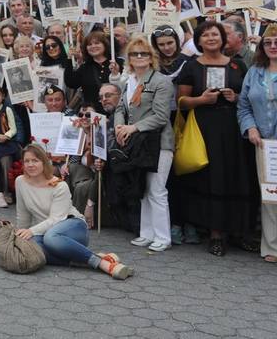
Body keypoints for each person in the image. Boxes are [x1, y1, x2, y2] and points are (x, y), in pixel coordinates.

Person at [174, 21, 256, 256]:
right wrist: (201, 100)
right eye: (206, 35)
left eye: (216, 34)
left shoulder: (238, 65)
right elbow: (181, 102)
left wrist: (236, 96)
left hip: (234, 128)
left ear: (223, 39)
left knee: (238, 175)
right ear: (198, 41)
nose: (211, 38)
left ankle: (240, 232)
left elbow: (249, 98)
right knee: (213, 177)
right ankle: (216, 234)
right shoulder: (191, 66)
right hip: (205, 128)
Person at [14, 143, 133, 278]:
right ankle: (85, 259)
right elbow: (22, 214)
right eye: (27, 161)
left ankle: (102, 264)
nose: (30, 165)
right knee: (32, 247)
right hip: (45, 231)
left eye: (35, 160)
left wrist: (30, 231)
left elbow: (56, 219)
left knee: (50, 238)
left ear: (44, 162)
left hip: (72, 227)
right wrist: (20, 237)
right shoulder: (20, 182)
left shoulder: (59, 185)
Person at [115, 34, 176, 253]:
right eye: (134, 54)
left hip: (158, 142)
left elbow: (161, 116)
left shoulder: (161, 81)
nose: (139, 57)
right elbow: (121, 108)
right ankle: (147, 233)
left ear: (151, 58)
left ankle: (162, 236)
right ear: (129, 59)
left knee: (157, 190)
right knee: (143, 187)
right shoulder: (130, 82)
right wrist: (120, 126)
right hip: (138, 143)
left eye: (144, 54)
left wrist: (133, 128)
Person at [238, 24, 277, 263]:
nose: (273, 46)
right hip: (264, 145)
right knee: (271, 196)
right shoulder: (254, 71)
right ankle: (272, 246)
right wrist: (250, 127)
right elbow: (243, 105)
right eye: (268, 42)